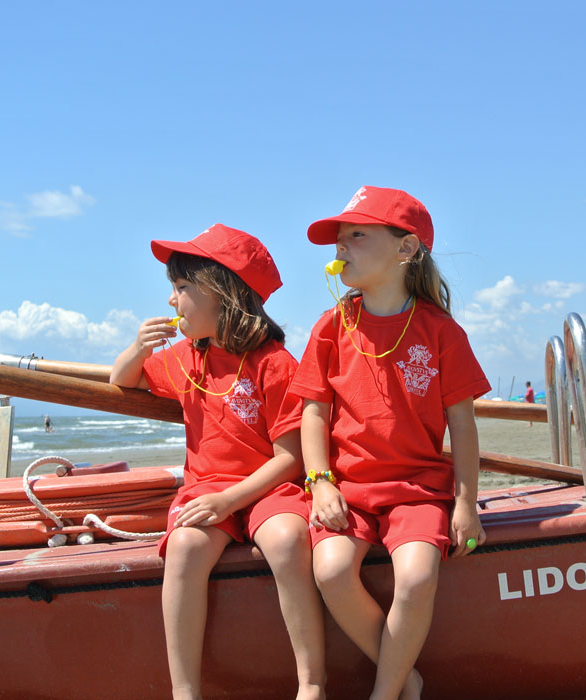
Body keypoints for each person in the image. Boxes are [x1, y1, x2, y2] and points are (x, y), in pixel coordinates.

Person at [290, 186, 490, 700]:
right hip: (347, 488)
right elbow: (313, 413)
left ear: (406, 250)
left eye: (357, 235)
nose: (341, 248)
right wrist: (319, 483)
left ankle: (386, 694)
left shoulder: (441, 331)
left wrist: (465, 504)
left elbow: (463, 426)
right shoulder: (331, 327)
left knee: (418, 578)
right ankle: (406, 677)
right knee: (332, 571)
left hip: (418, 489)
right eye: (339, 239)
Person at [110, 223, 325, 700]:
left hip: (267, 489)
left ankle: (311, 683)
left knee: (289, 540)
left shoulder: (274, 363)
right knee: (184, 549)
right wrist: (138, 347)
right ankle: (185, 690)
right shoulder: (186, 357)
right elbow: (123, 380)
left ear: (224, 294)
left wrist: (232, 499)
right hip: (206, 491)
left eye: (182, 288)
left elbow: (290, 457)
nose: (172, 301)